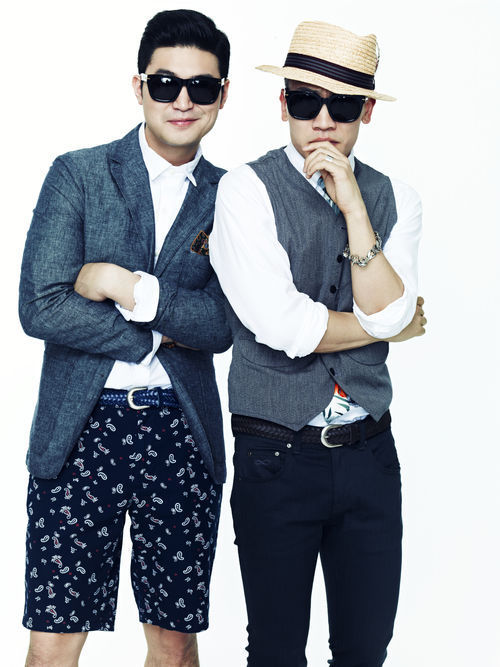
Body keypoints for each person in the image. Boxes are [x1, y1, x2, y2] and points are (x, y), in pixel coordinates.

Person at [211, 20, 426, 667]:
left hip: (370, 454)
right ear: (283, 105)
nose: (323, 121)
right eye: (306, 101)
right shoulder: (245, 190)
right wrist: (390, 325)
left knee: (365, 650)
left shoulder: (396, 198)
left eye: (343, 105)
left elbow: (388, 305)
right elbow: (284, 326)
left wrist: (354, 205)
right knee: (276, 652)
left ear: (367, 111)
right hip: (276, 454)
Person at [19, 9, 231, 667]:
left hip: (181, 430)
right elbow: (41, 306)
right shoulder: (79, 174)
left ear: (223, 95)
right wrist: (154, 339)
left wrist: (120, 284)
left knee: (174, 642)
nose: (182, 100)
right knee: (54, 641)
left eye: (201, 86)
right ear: (139, 86)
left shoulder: (233, 197)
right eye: (166, 83)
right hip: (78, 430)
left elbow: (222, 324)